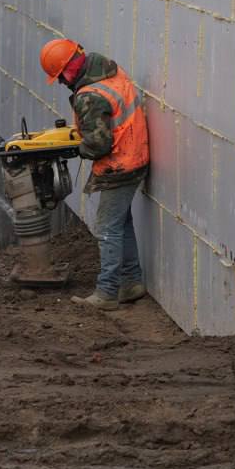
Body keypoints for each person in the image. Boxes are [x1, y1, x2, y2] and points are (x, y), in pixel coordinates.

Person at [40, 38, 150, 311]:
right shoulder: (112, 73)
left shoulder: (89, 95)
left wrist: (77, 147)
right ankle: (131, 282)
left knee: (107, 229)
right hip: (136, 157)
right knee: (121, 223)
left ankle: (107, 292)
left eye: (60, 76)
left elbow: (99, 144)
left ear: (68, 69)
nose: (63, 82)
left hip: (118, 165)